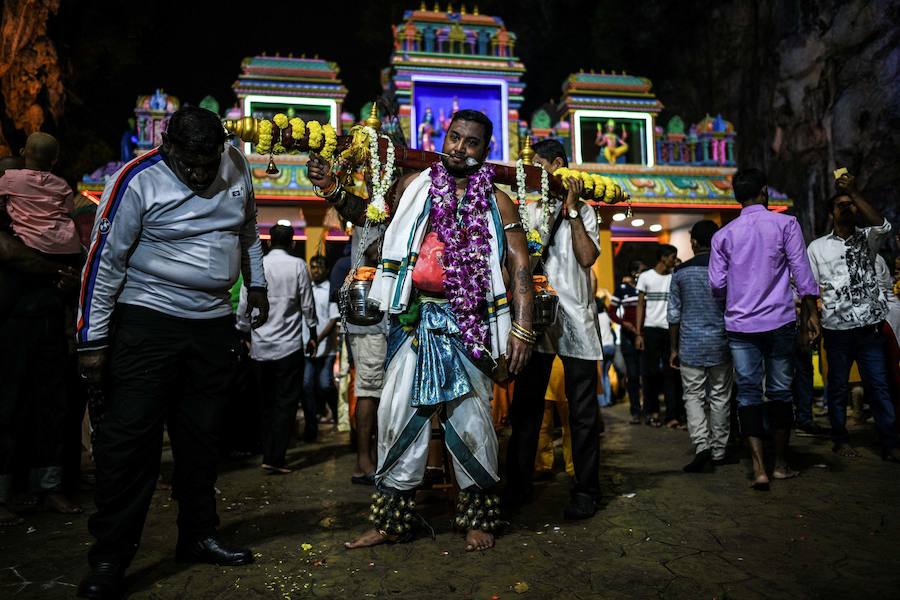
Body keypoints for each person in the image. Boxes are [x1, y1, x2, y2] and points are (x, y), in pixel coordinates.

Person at [307, 109, 533, 551]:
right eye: (454, 138)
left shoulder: (497, 202)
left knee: (472, 422)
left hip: (471, 326)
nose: (460, 148)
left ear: (485, 151)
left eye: (471, 142)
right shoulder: (415, 187)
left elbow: (519, 263)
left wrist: (522, 329)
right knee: (397, 416)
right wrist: (332, 188)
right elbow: (372, 217)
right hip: (414, 321)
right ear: (444, 138)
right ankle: (392, 522)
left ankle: (477, 519)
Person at [74, 106, 269, 599]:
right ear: (168, 149)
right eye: (192, 166)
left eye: (210, 163)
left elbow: (247, 231)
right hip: (147, 321)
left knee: (202, 439)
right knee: (130, 445)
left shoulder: (236, 164)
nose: (203, 175)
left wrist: (258, 286)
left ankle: (198, 535)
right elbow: (104, 262)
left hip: (211, 325)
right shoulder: (136, 180)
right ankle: (110, 558)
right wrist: (93, 342)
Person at [505, 138, 604, 520]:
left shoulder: (588, 212)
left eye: (538, 167)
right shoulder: (529, 212)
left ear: (558, 166)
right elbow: (521, 262)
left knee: (582, 413)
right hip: (539, 319)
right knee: (526, 409)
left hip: (578, 320)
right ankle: (518, 484)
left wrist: (574, 212)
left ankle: (586, 490)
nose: (532, 176)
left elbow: (586, 257)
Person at [709, 168, 820, 491]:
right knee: (781, 392)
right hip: (780, 322)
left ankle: (759, 469)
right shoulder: (785, 224)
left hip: (740, 326)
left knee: (748, 394)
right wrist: (810, 314)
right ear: (764, 192)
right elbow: (802, 273)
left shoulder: (723, 235)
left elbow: (717, 285)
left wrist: (738, 294)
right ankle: (781, 464)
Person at [0, 156, 82, 525]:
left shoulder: (53, 227)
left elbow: (78, 261)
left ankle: (48, 487)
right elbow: (11, 253)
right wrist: (57, 270)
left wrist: (71, 278)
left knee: (52, 405)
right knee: (8, 407)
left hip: (49, 321)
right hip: (11, 324)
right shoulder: (8, 225)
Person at [806, 173, 897, 461]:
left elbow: (884, 225)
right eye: (840, 206)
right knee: (837, 388)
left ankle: (891, 441)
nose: (846, 209)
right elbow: (809, 289)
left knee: (879, 387)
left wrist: (854, 192)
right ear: (831, 213)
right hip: (836, 329)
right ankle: (840, 438)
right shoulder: (817, 248)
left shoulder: (867, 240)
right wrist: (811, 320)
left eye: (850, 205)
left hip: (869, 326)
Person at [237, 223, 318, 473]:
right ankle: (276, 457)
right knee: (286, 402)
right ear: (293, 243)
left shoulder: (257, 266)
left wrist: (243, 330)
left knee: (266, 403)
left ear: (269, 242)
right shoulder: (297, 266)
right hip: (289, 346)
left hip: (260, 346)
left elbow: (244, 303)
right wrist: (312, 331)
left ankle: (266, 452)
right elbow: (307, 303)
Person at [668, 220, 733, 472]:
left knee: (693, 397)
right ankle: (719, 450)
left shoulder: (680, 272)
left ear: (693, 242)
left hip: (690, 345)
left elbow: (674, 314)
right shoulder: (726, 270)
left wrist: (673, 348)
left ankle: (702, 446)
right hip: (720, 343)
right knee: (720, 397)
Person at [344, 224, 390, 486]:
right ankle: (363, 461)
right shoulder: (368, 216)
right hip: (368, 320)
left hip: (385, 319)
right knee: (369, 390)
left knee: (382, 392)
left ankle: (378, 458)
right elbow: (374, 252)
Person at [0, 132, 83, 269]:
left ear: (22, 152)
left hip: (37, 245)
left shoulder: (12, 179)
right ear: (54, 160)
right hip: (69, 247)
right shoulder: (62, 185)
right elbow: (68, 212)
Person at [636, 245, 680, 427]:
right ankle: (652, 412)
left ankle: (672, 416)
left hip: (670, 329)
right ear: (663, 258)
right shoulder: (646, 277)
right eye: (672, 257)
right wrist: (639, 333)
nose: (674, 261)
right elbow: (640, 306)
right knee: (650, 373)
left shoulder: (674, 277)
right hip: (652, 329)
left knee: (671, 374)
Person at [304, 255, 340, 432]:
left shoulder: (330, 290)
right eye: (313, 267)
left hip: (327, 347)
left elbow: (333, 319)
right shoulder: (306, 288)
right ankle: (311, 425)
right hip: (307, 347)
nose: (315, 270)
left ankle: (335, 413)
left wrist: (317, 340)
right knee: (306, 385)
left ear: (326, 270)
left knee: (325, 384)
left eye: (319, 267)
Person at [608, 261, 644, 423]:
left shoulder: (646, 289)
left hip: (645, 335)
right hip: (628, 337)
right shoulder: (623, 290)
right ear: (634, 272)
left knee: (648, 374)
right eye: (641, 271)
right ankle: (636, 411)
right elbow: (611, 311)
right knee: (633, 375)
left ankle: (649, 409)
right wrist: (624, 323)